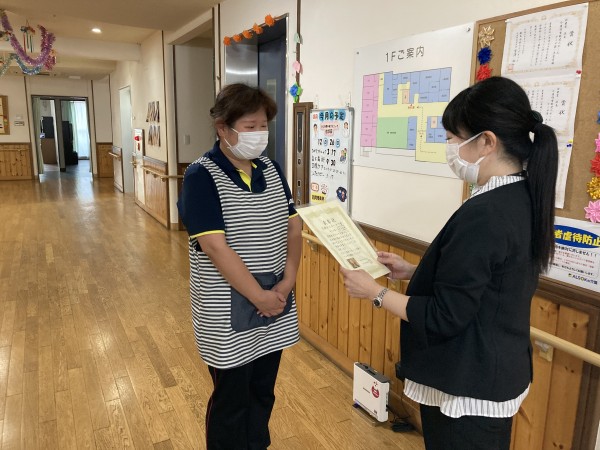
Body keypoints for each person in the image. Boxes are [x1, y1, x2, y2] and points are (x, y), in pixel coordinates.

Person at [340, 76, 558, 450]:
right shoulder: (522, 197)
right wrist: (414, 271)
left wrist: (374, 292)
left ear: (487, 142)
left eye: (454, 138)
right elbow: (488, 280)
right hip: (495, 371)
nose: (450, 148)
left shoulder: (486, 212)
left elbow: (445, 315)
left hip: (467, 382)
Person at [177, 83, 301, 449]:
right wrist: (259, 296)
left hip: (275, 300)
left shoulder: (272, 170)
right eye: (250, 126)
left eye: (263, 125)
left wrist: (288, 281)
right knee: (231, 399)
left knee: (263, 391)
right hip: (227, 311)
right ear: (223, 128)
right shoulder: (201, 175)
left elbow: (293, 227)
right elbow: (215, 247)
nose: (259, 134)